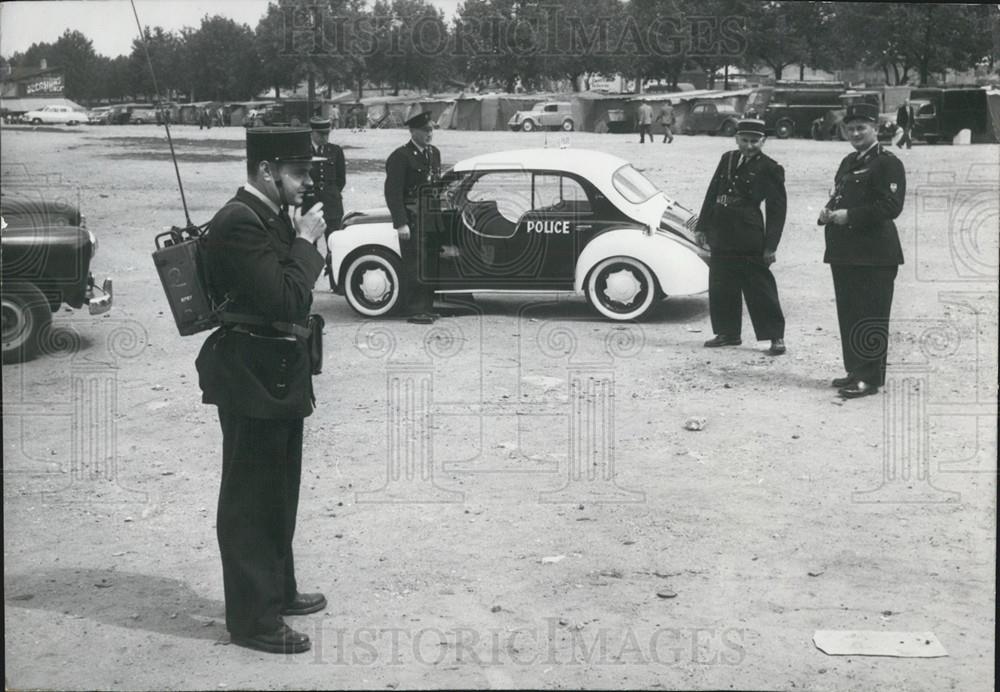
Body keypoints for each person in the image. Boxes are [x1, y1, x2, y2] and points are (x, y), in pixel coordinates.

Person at [196, 127, 329, 654]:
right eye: (298, 172)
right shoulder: (238, 222)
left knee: (279, 490)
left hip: (273, 371)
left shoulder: (267, 216)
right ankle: (253, 620)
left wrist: (298, 238)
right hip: (251, 375)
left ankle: (279, 591)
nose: (308, 181)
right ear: (265, 170)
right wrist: (305, 243)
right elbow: (286, 300)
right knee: (251, 499)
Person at [818, 103, 905, 399]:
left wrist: (849, 216)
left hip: (875, 253)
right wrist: (828, 211)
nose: (855, 133)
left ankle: (869, 379)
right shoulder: (848, 161)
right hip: (845, 250)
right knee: (850, 312)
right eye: (850, 128)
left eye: (861, 128)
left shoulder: (887, 163)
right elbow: (839, 194)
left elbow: (891, 207)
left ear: (876, 129)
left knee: (871, 315)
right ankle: (855, 370)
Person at [696, 118, 787, 356]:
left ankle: (775, 336)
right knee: (721, 283)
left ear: (764, 141)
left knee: (759, 285)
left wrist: (771, 246)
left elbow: (777, 210)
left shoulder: (770, 167)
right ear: (736, 138)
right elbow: (712, 192)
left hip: (749, 233)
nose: (749, 146)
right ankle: (728, 333)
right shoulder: (727, 158)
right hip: (721, 229)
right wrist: (702, 226)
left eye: (755, 141)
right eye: (744, 140)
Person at [384, 111, 442, 324]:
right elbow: (393, 192)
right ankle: (415, 310)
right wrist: (401, 223)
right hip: (412, 218)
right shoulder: (401, 156)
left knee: (429, 263)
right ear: (413, 131)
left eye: (432, 129)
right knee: (414, 264)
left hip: (431, 219)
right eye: (426, 130)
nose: (430, 134)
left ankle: (427, 307)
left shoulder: (433, 153)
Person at [307, 116, 347, 290]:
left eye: (327, 134)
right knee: (309, 244)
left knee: (334, 243)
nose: (325, 137)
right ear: (312, 133)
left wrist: (331, 193)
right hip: (310, 202)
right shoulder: (303, 150)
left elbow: (341, 179)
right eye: (321, 134)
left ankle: (335, 283)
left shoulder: (335, 150)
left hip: (331, 203)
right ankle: (308, 282)